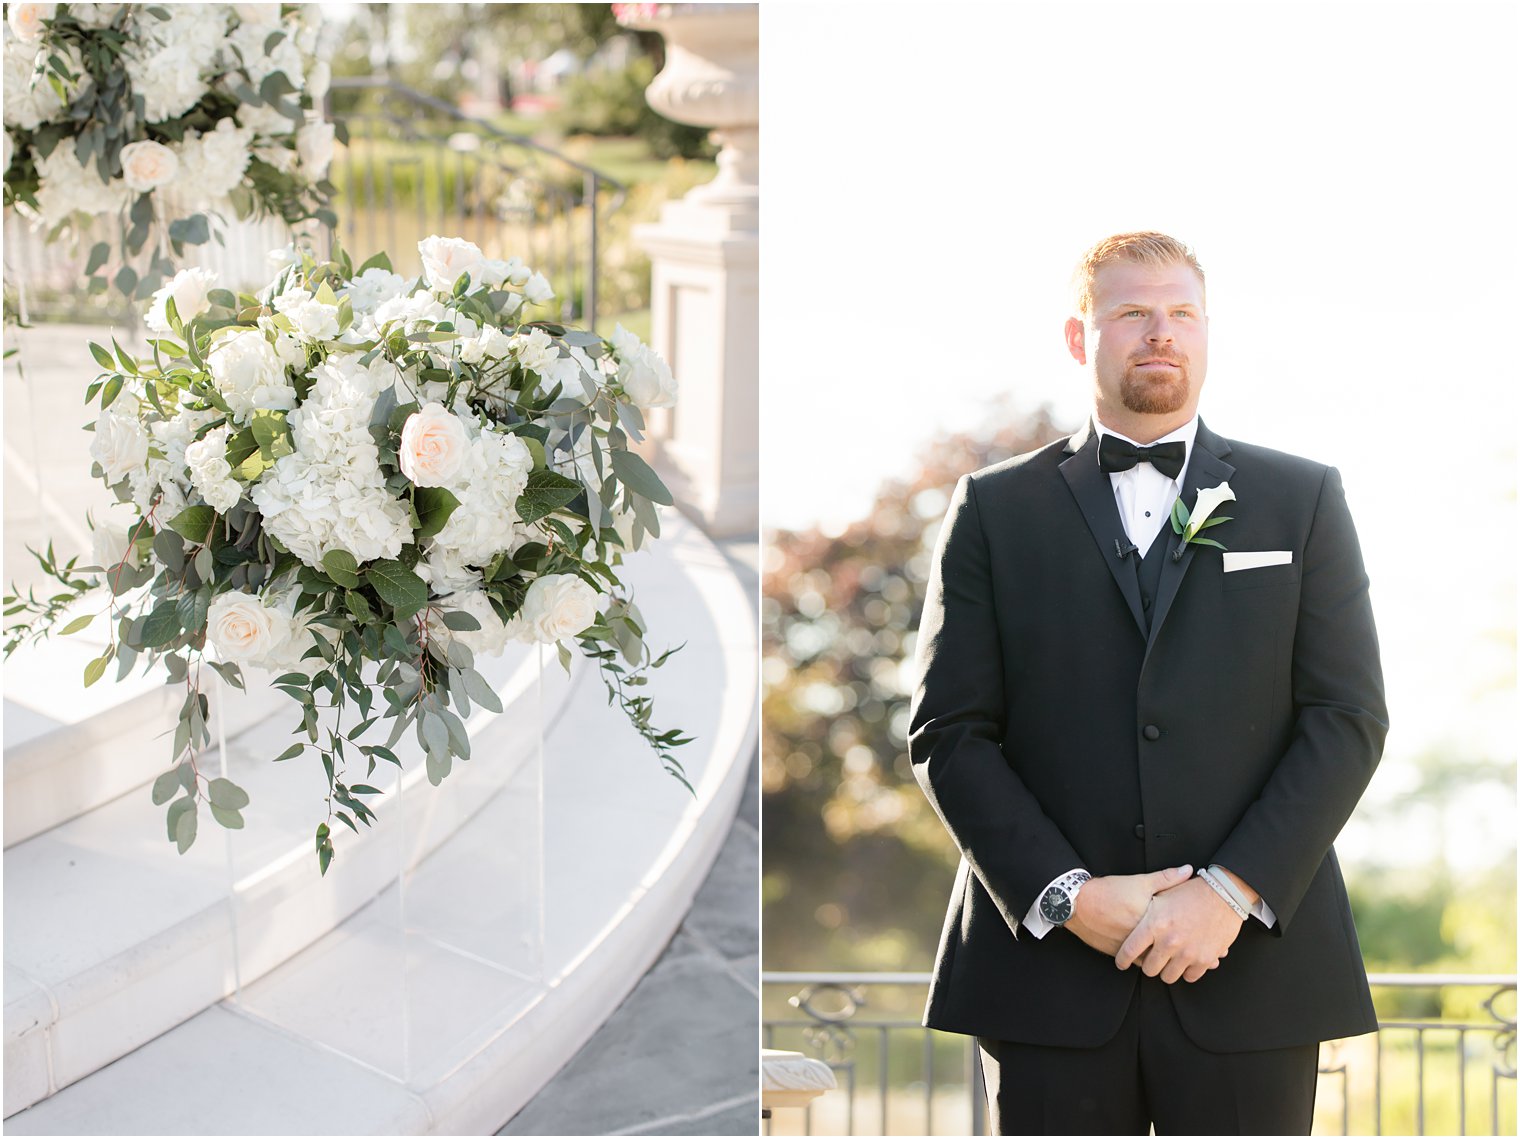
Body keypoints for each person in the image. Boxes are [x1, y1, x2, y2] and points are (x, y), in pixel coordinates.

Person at [908, 232, 1388, 1135]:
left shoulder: (1304, 498)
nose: (1160, 333)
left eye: (1182, 314)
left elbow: (1348, 717)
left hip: (1249, 971)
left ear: (1208, 334)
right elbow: (948, 732)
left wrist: (1228, 894)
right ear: (1078, 336)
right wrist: (1068, 896)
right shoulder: (991, 509)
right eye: (1131, 312)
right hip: (1051, 979)